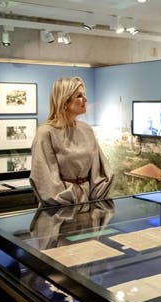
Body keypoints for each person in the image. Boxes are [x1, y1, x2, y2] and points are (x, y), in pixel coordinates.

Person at [30, 77, 115, 206]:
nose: (85, 99)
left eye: (84, 95)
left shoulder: (87, 130)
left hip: (89, 204)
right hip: (60, 210)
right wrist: (68, 202)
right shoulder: (46, 133)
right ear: (64, 100)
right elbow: (45, 179)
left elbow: (99, 171)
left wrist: (95, 201)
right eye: (79, 96)